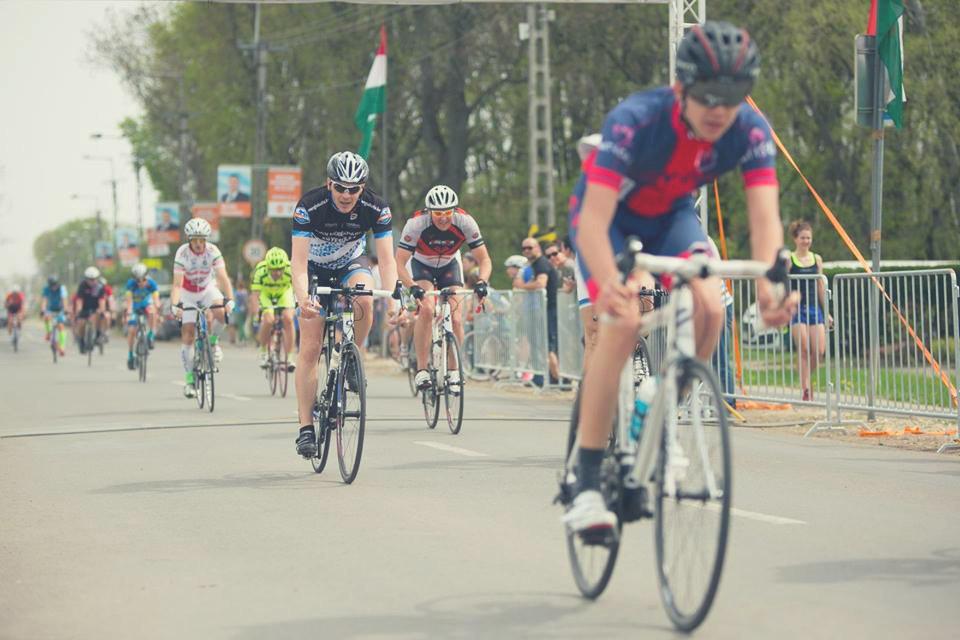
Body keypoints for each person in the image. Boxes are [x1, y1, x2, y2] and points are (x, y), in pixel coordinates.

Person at [564, 21, 798, 534]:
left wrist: (770, 285)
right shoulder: (635, 121)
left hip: (671, 216)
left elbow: (765, 220)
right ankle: (583, 483)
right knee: (619, 327)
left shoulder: (749, 130)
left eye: (733, 97)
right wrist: (613, 285)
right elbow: (594, 223)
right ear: (680, 88)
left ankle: (660, 408)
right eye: (708, 96)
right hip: (608, 219)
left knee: (711, 304)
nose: (719, 109)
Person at [291, 151, 399, 457]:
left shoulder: (375, 208)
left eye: (354, 188)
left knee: (365, 295)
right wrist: (303, 298)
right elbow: (297, 263)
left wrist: (392, 300)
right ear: (329, 184)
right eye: (340, 187)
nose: (347, 195)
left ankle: (355, 355)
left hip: (350, 264)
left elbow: (387, 260)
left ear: (362, 188)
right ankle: (305, 429)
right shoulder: (309, 206)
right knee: (310, 348)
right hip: (313, 270)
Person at [396, 185, 492, 391]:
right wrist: (412, 286)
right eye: (438, 213)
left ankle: (455, 370)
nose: (443, 218)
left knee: (456, 317)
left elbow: (484, 259)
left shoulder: (465, 221)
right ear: (429, 211)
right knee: (428, 309)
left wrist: (482, 282)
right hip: (422, 265)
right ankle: (422, 369)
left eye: (448, 212)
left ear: (454, 210)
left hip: (449, 264)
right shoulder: (416, 224)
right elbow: (398, 262)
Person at [170, 217, 235, 397]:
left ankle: (213, 342)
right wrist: (175, 305)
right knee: (188, 332)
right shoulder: (182, 254)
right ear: (188, 239)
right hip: (188, 293)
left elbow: (223, 277)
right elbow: (176, 284)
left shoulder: (213, 251)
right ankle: (189, 379)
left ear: (206, 239)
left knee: (221, 312)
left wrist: (229, 299)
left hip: (207, 289)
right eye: (195, 240)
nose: (198, 244)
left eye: (202, 240)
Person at [788, 220, 831, 401]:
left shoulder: (817, 259)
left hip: (815, 308)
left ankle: (806, 377)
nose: (806, 241)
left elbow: (821, 285)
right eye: (803, 238)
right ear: (795, 239)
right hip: (797, 310)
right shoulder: (789, 259)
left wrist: (827, 311)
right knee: (804, 348)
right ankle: (805, 387)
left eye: (808, 238)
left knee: (819, 350)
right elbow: (784, 285)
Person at [514, 238, 560, 384]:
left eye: (530, 247)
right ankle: (541, 379)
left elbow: (541, 283)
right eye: (524, 248)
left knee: (548, 346)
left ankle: (559, 380)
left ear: (537, 248)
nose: (527, 250)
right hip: (540, 310)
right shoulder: (533, 265)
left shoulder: (541, 263)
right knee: (538, 344)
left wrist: (522, 286)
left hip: (549, 310)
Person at [249, 247, 296, 371]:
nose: (278, 273)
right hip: (266, 294)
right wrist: (255, 315)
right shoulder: (260, 270)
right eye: (274, 270)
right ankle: (264, 351)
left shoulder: (290, 269)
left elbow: (297, 288)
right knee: (269, 320)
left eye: (280, 269)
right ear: (268, 267)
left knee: (288, 319)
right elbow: (255, 295)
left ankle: (290, 357)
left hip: (284, 292)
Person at [124, 263, 160, 369]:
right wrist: (129, 311)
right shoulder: (130, 284)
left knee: (153, 311)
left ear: (146, 277)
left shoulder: (152, 284)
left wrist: (157, 306)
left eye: (142, 279)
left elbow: (156, 300)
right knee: (131, 330)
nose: (140, 282)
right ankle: (130, 354)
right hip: (135, 308)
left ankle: (151, 335)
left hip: (146, 306)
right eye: (137, 280)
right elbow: (129, 300)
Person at [73, 267, 108, 353]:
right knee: (81, 323)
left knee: (102, 316)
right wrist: (79, 311)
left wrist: (102, 310)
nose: (92, 282)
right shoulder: (82, 285)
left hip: (96, 307)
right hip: (84, 307)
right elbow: (79, 300)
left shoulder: (100, 287)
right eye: (90, 279)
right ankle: (81, 341)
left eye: (94, 279)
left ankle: (98, 334)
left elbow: (102, 300)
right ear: (86, 279)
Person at [40, 276, 69, 355]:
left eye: (55, 285)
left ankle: (62, 347)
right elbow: (44, 300)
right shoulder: (46, 289)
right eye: (52, 285)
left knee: (61, 327)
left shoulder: (62, 288)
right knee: (46, 317)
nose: (53, 287)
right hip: (50, 309)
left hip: (60, 310)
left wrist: (66, 309)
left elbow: (64, 299)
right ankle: (48, 332)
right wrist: (42, 309)